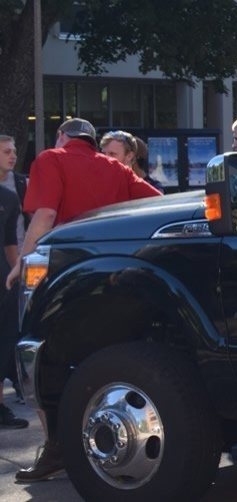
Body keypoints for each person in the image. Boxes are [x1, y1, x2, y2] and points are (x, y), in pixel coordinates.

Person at [9, 119, 160, 483]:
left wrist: (21, 263)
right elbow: (157, 203)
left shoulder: (52, 158)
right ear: (93, 143)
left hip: (63, 279)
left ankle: (56, 448)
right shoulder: (115, 168)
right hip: (115, 283)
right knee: (105, 361)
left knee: (45, 361)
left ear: (63, 136)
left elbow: (44, 215)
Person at [0, 136, 26, 430]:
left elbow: (10, 242)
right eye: (7, 151)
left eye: (14, 151)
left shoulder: (11, 197)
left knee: (6, 340)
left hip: (3, 280)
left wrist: (16, 271)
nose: (13, 156)